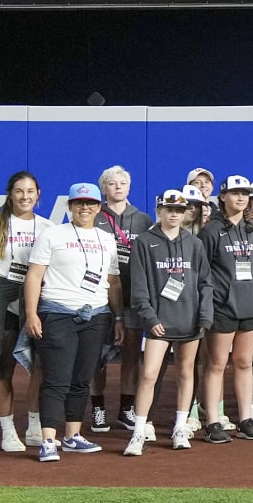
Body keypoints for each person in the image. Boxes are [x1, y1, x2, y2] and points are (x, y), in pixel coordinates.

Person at [20, 183, 121, 462]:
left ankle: (73, 436)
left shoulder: (106, 238)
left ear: (99, 208)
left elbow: (113, 283)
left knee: (82, 379)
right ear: (70, 207)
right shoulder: (53, 234)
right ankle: (48, 441)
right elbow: (34, 276)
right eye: (79, 203)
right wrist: (32, 313)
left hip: (96, 315)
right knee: (56, 380)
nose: (85, 208)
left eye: (90, 203)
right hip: (58, 313)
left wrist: (119, 317)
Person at [124, 187, 207, 453]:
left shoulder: (194, 244)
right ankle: (138, 431)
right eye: (169, 209)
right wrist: (149, 317)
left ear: (186, 214)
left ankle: (180, 427)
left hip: (189, 321)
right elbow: (138, 287)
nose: (174, 214)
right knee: (149, 375)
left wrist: (204, 316)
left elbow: (205, 283)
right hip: (159, 322)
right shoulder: (145, 242)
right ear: (159, 211)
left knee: (186, 372)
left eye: (179, 210)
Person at [200, 175, 253, 443]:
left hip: (251, 306)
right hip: (223, 307)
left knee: (243, 363)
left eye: (245, 194)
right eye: (235, 193)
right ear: (223, 197)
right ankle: (213, 422)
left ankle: (244, 419)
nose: (240, 198)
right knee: (216, 364)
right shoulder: (211, 230)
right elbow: (204, 272)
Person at [91, 165, 151, 433]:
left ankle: (127, 407)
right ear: (103, 189)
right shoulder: (93, 216)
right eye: (111, 184)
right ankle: (97, 408)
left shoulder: (143, 220)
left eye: (122, 183)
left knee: (131, 356)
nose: (117, 187)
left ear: (129, 187)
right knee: (98, 356)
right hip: (100, 298)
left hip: (134, 297)